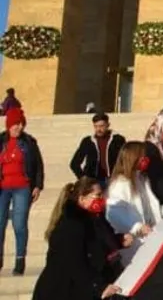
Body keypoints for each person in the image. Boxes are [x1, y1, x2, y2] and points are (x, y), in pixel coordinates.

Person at [31, 177, 121, 300]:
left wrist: (119, 241)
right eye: (98, 195)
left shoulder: (95, 218)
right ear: (82, 199)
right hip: (62, 290)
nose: (102, 199)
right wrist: (98, 287)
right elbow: (75, 263)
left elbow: (100, 243)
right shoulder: (71, 225)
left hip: (80, 287)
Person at [104, 141, 163, 265]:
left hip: (150, 235)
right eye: (142, 156)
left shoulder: (141, 179)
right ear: (133, 158)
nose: (145, 159)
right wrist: (137, 227)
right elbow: (115, 213)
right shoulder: (120, 184)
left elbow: (148, 208)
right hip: (135, 242)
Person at [0, 108, 43, 274]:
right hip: (2, 188)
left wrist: (37, 185)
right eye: (15, 124)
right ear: (9, 125)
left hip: (22, 187)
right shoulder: (1, 141)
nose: (19, 127)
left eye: (21, 124)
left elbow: (38, 165)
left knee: (19, 224)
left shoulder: (29, 142)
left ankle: (19, 260)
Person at [70, 112, 126, 187]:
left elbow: (125, 159)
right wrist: (83, 178)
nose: (98, 129)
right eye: (96, 126)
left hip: (114, 180)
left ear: (108, 125)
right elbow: (74, 163)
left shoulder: (118, 140)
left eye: (101, 126)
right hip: (93, 181)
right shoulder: (87, 141)